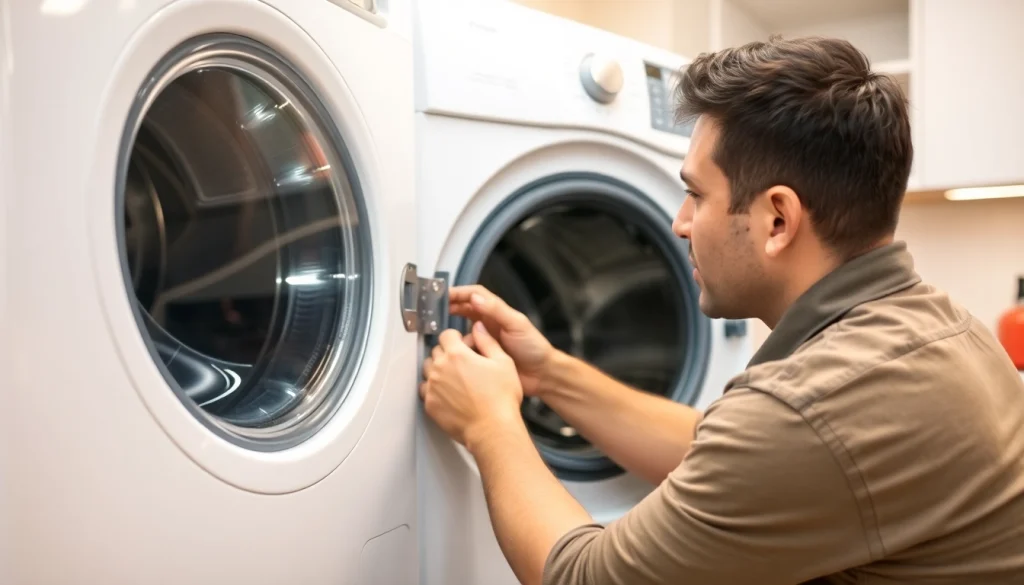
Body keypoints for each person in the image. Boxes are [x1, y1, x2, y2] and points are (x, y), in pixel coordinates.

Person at [418, 35, 1024, 585]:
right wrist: (547, 373)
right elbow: (724, 453)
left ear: (778, 220)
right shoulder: (943, 328)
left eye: (695, 194)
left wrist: (489, 424)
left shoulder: (811, 407)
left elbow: (582, 579)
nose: (679, 223)